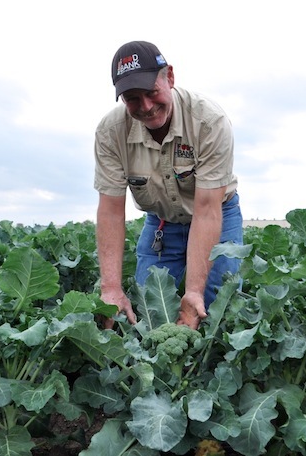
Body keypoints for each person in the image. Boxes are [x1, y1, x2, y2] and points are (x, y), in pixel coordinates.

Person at [93, 41, 242, 330]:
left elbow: (207, 209)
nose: (146, 107)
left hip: (217, 215)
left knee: (216, 305)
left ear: (169, 77)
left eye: (151, 93)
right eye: (133, 99)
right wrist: (110, 288)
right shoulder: (111, 132)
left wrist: (194, 291)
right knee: (150, 307)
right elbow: (110, 211)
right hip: (162, 221)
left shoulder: (209, 122)